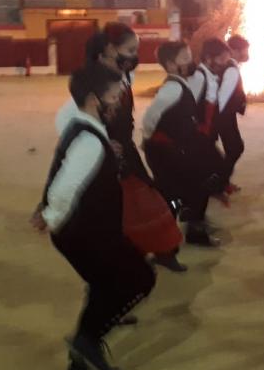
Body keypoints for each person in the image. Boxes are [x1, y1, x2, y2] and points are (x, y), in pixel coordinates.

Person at [35, 65, 157, 370]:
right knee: (140, 279)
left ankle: (80, 368)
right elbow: (64, 187)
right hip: (84, 233)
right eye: (113, 96)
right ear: (93, 99)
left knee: (107, 285)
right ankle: (86, 342)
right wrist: (51, 217)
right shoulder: (89, 142)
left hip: (83, 231)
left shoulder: (81, 126)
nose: (118, 102)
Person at [54, 23, 187, 273]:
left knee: (151, 200)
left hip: (126, 149)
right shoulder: (90, 80)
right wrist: (99, 141)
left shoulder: (125, 74)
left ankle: (163, 251)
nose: (134, 55)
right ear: (108, 50)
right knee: (117, 214)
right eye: (129, 49)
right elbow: (66, 119)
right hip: (106, 158)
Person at [143, 41, 224, 248]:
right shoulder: (171, 89)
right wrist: (148, 139)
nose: (191, 62)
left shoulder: (181, 83)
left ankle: (187, 229)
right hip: (164, 151)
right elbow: (150, 118)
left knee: (193, 188)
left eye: (190, 56)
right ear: (170, 64)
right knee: (182, 191)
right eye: (185, 58)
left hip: (174, 148)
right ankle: (165, 239)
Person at [216, 34, 250, 193]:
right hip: (224, 117)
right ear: (235, 51)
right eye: (245, 50)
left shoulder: (230, 66)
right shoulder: (230, 70)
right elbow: (222, 97)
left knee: (234, 148)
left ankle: (222, 181)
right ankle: (219, 183)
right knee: (235, 148)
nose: (247, 54)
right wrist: (218, 120)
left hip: (226, 116)